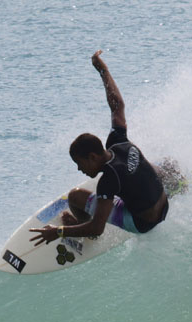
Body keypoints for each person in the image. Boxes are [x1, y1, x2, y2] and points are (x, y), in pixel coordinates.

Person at [30, 50, 169, 246]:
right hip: (164, 204)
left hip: (143, 223)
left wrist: (59, 231)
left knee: (75, 197)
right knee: (160, 166)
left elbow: (98, 227)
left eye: (80, 164)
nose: (80, 169)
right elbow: (117, 106)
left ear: (93, 157)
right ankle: (179, 185)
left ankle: (79, 224)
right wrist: (103, 70)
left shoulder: (108, 181)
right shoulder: (118, 141)